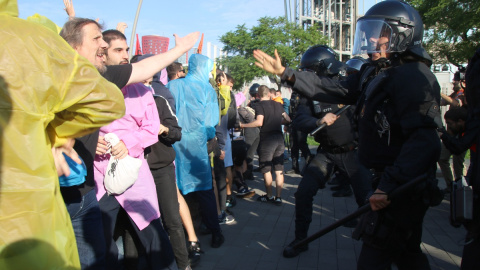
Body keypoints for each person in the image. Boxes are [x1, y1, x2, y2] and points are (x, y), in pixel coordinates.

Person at [254, 1, 442, 268]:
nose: (371, 39)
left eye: (381, 33)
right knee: (406, 253)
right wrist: (288, 74)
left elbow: (424, 143)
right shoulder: (373, 73)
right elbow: (330, 87)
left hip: (401, 187)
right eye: (369, 32)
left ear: (404, 35)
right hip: (382, 178)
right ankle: (300, 238)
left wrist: (387, 186)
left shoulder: (414, 77)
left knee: (379, 254)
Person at [60, 16, 198, 269]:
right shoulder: (89, 80)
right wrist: (95, 140)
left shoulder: (143, 91)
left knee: (154, 237)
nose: (125, 55)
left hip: (134, 175)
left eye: (126, 50)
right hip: (97, 180)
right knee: (103, 246)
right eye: (117, 50)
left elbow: (151, 129)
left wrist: (127, 143)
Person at [0, 1, 125, 268]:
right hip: (35, 200)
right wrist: (55, 135)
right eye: (97, 40)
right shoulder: (31, 41)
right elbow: (109, 102)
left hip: (72, 192)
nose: (102, 45)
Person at [282, 45, 371, 258]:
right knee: (303, 192)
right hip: (327, 153)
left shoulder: (348, 86)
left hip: (353, 154)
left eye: (311, 70)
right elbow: (300, 119)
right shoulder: (307, 92)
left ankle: (378, 247)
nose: (307, 75)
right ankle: (300, 239)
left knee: (367, 200)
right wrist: (318, 120)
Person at [167, 54, 225, 248]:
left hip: (174, 143)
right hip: (197, 146)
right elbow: (211, 123)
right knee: (205, 190)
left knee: (177, 191)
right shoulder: (207, 89)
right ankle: (215, 231)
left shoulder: (173, 85)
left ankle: (184, 233)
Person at [240, 85, 291, 205]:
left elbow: (259, 122)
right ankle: (278, 197)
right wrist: (278, 121)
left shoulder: (259, 106)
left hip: (267, 140)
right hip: (279, 139)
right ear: (269, 94)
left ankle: (269, 196)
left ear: (258, 95)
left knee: (266, 169)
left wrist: (243, 125)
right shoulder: (278, 105)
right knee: (279, 170)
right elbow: (288, 119)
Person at [438, 71, 468, 193]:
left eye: (456, 80)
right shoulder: (455, 93)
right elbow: (443, 102)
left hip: (461, 133)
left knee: (458, 162)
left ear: (463, 83)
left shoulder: (464, 95)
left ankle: (460, 187)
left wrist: (439, 92)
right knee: (442, 157)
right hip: (451, 133)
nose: (453, 82)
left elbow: (455, 103)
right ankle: (451, 185)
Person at [243, 83, 262, 179]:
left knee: (248, 153)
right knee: (252, 153)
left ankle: (247, 173)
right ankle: (249, 173)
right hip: (259, 131)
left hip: (251, 130)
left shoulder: (253, 104)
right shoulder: (263, 103)